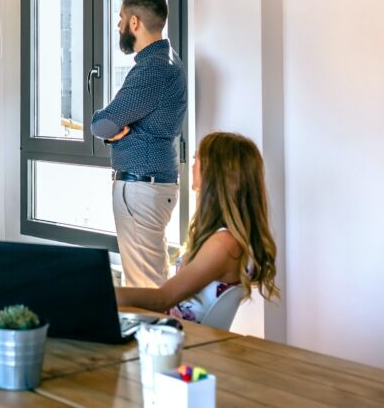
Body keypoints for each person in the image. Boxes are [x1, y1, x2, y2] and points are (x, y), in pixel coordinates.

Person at [116, 132, 279, 322]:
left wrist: (101, 293)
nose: (192, 165)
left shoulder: (224, 244)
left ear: (217, 171)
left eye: (197, 159)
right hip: (175, 334)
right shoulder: (227, 237)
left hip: (180, 338)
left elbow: (163, 299)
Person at [91, 0, 186, 288]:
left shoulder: (153, 70)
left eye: (120, 18)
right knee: (147, 279)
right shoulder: (167, 61)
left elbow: (103, 123)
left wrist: (109, 131)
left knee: (146, 286)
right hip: (150, 184)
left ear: (134, 22)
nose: (118, 26)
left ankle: (156, 335)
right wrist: (114, 134)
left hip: (142, 186)